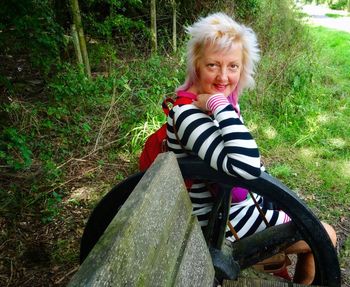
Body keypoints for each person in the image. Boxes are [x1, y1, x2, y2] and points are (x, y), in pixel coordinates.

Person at [166, 12, 336, 285]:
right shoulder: (187, 114)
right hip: (218, 227)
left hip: (234, 209)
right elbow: (245, 169)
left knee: (311, 225)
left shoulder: (222, 104)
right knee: (324, 235)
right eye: (213, 65)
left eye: (233, 66)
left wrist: (222, 105)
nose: (224, 76)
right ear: (196, 65)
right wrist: (219, 105)